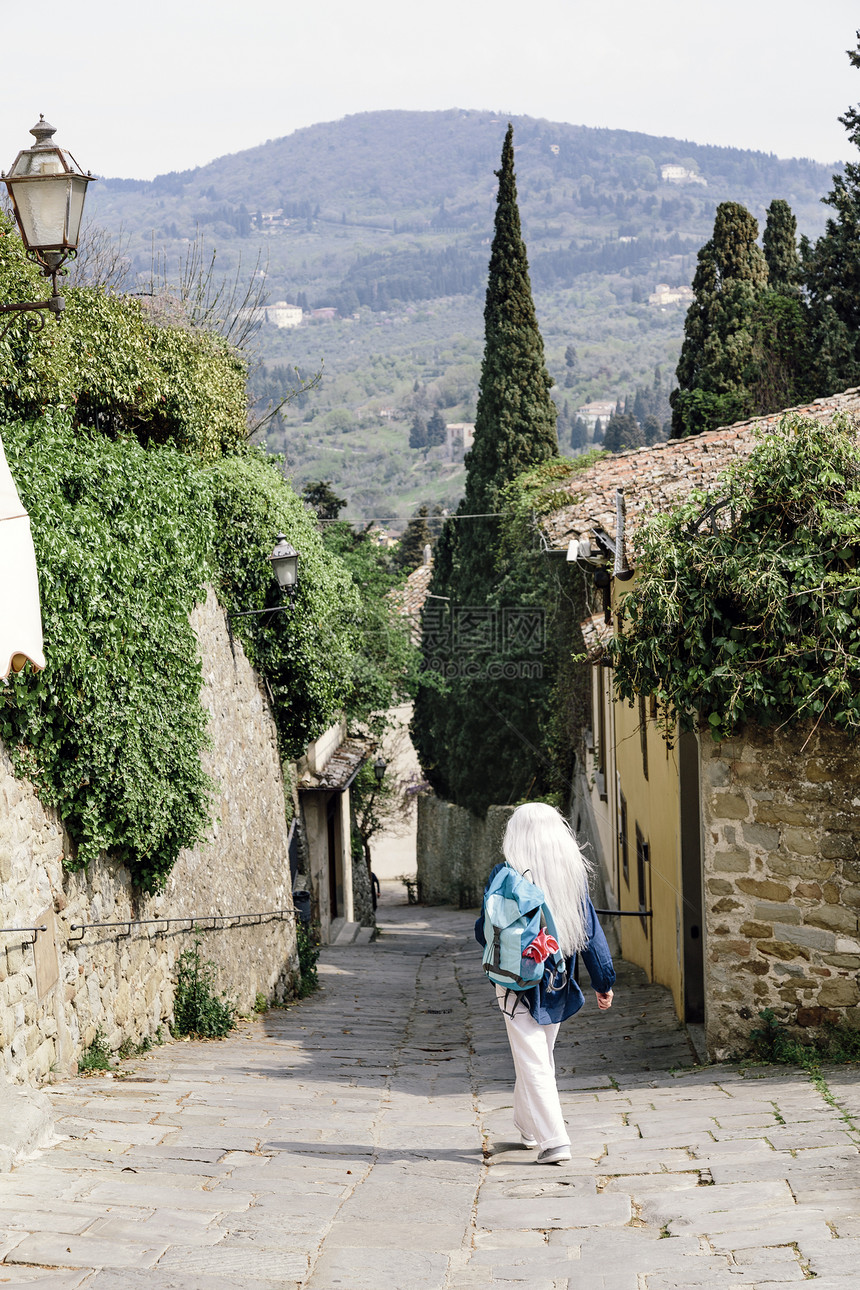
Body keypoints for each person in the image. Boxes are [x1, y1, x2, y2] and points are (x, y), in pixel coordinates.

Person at [475, 802, 615, 1165]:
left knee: (533, 1056)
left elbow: (482, 931)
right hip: (557, 978)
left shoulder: (505, 875)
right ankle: (526, 1127)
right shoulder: (572, 875)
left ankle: (554, 1141)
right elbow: (590, 933)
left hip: (515, 979)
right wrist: (603, 981)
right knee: (538, 1053)